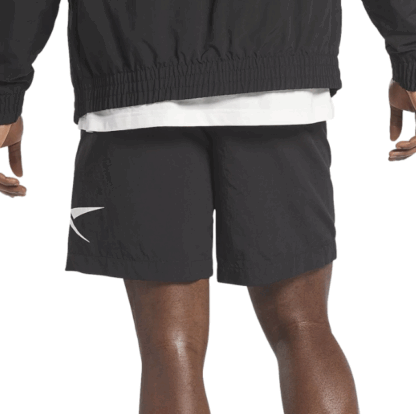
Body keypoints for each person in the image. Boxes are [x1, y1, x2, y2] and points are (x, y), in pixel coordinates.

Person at [1, 1, 415, 413]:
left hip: (138, 86)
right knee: (303, 326)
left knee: (170, 347)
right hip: (278, 79)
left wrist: (5, 95)